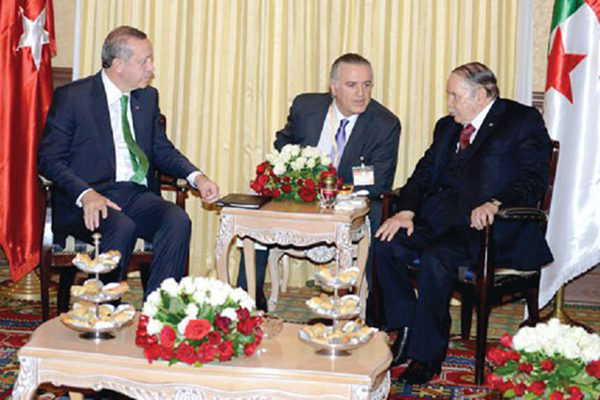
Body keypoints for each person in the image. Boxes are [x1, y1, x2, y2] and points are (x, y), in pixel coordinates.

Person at [374, 62, 553, 384]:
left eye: (455, 96)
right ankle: (407, 327)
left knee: (437, 258)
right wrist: (406, 211)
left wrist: (496, 203)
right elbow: (423, 173)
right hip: (439, 221)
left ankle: (426, 356)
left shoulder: (520, 120)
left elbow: (534, 178)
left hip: (489, 229)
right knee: (386, 244)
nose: (449, 103)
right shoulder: (447, 127)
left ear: (481, 95)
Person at [38, 26, 219, 297]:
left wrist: (197, 177)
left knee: (177, 220)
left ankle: (158, 309)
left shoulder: (147, 97)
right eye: (144, 61)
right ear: (118, 64)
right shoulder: (74, 97)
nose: (151, 68)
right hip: (88, 198)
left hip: (135, 194)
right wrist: (86, 194)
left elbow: (162, 150)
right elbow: (49, 159)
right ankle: (105, 311)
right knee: (121, 226)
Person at [238, 53, 401, 312]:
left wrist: (330, 188)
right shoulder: (306, 107)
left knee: (378, 217)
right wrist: (295, 172)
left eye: (367, 84)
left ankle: (371, 311)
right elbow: (283, 143)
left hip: (350, 198)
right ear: (333, 87)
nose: (361, 93)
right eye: (352, 85)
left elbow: (378, 180)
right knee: (257, 209)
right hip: (301, 193)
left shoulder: (385, 124)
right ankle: (247, 299)